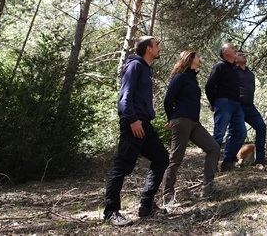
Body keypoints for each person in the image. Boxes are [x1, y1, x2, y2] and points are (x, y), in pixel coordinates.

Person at [103, 36, 169, 227]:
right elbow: (124, 97)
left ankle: (146, 205)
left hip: (144, 124)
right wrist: (132, 120)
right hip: (133, 123)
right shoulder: (135, 66)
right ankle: (111, 212)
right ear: (148, 48)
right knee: (121, 167)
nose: (159, 48)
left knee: (161, 158)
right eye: (156, 45)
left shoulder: (146, 69)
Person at [162, 51, 220, 204]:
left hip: (194, 123)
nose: (201, 59)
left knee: (213, 148)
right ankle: (167, 196)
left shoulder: (192, 78)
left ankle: (208, 188)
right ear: (190, 59)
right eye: (198, 57)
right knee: (176, 159)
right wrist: (172, 119)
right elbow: (168, 100)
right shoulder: (180, 77)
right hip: (181, 121)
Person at [205, 42, 246, 171]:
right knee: (219, 134)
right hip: (224, 103)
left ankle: (228, 161)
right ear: (225, 52)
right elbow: (209, 86)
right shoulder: (219, 66)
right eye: (232, 48)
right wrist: (214, 102)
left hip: (236, 104)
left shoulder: (234, 68)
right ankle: (211, 165)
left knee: (240, 132)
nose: (235, 49)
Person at [225, 50, 267, 166]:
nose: (243, 55)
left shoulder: (250, 74)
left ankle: (260, 159)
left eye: (244, 54)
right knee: (235, 131)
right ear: (234, 59)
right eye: (239, 54)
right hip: (237, 106)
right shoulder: (232, 71)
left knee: (261, 127)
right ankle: (228, 160)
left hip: (250, 106)